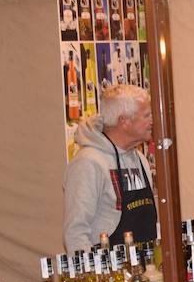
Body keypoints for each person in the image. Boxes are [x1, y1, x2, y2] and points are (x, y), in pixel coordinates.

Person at [62, 83, 156, 252]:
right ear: (124, 121)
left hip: (145, 271)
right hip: (112, 275)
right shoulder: (88, 163)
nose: (152, 121)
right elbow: (76, 233)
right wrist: (96, 276)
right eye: (146, 115)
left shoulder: (140, 160)